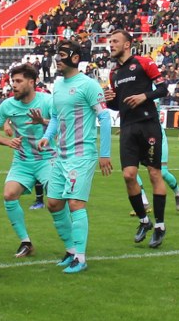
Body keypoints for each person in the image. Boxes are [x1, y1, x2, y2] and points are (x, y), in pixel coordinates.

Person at [34, 37, 114, 273]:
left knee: (75, 203)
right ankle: (70, 251)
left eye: (63, 55)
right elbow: (56, 116)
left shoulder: (88, 85)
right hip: (61, 154)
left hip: (82, 154)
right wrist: (47, 136)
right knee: (53, 203)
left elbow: (104, 118)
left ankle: (80, 257)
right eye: (57, 54)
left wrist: (105, 154)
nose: (58, 59)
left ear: (76, 58)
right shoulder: (58, 85)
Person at [104, 29, 170, 248]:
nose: (111, 44)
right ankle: (144, 221)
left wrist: (144, 96)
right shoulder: (114, 73)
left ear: (127, 44)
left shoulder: (144, 62)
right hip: (127, 127)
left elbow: (163, 89)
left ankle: (160, 226)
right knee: (128, 175)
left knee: (154, 173)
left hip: (148, 125)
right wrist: (110, 100)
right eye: (110, 41)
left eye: (115, 41)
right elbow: (117, 105)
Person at [0, 63, 63, 257]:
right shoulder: (7, 105)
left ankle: (73, 246)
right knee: (9, 195)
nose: (13, 85)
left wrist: (43, 122)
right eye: (12, 81)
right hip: (22, 161)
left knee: (55, 201)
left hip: (47, 159)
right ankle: (25, 242)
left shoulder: (47, 101)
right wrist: (7, 142)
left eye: (18, 81)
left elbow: (63, 125)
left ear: (32, 82)